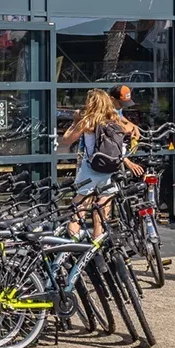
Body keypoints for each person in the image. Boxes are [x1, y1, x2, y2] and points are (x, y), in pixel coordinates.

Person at [58, 88, 139, 239]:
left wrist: (75, 122)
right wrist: (132, 127)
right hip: (109, 170)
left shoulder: (88, 121)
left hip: (90, 170)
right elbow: (127, 130)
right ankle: (97, 243)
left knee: (79, 211)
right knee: (102, 209)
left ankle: (72, 247)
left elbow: (66, 140)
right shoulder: (114, 119)